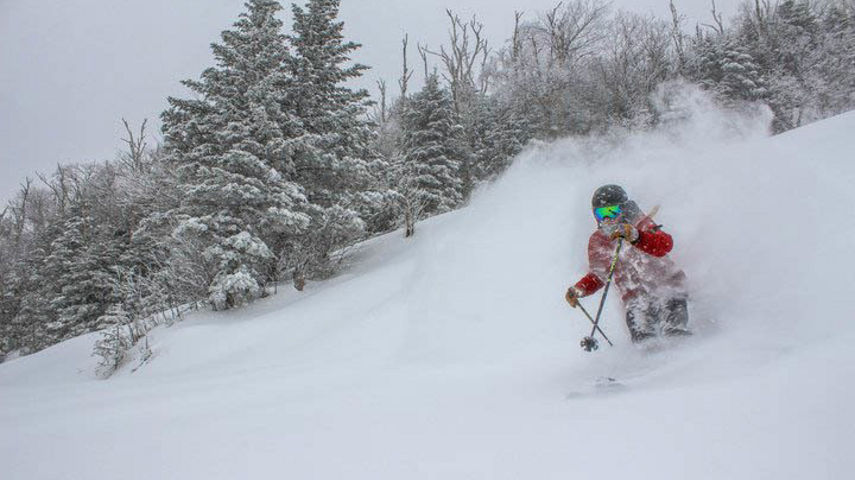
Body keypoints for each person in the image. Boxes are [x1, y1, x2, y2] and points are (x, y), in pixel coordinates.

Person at [565, 184, 691, 343]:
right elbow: (600, 274)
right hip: (636, 301)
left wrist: (636, 236)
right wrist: (580, 289)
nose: (607, 218)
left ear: (623, 210)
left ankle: (686, 355)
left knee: (674, 331)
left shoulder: (641, 224)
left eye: (613, 211)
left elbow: (665, 245)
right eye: (601, 213)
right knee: (643, 339)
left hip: (667, 288)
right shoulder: (598, 241)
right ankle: (651, 363)